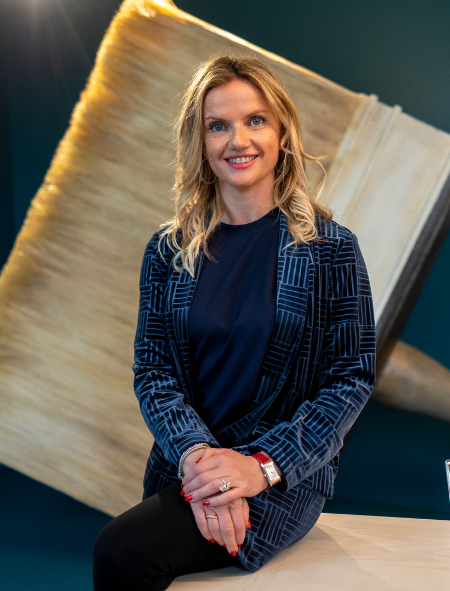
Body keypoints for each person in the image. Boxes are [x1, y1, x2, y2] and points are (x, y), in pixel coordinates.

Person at [93, 54, 376, 590]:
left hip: (283, 478)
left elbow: (351, 379)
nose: (237, 140)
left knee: (121, 552)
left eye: (255, 120)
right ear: (199, 142)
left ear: (282, 133)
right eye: (217, 126)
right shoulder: (167, 251)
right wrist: (199, 458)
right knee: (127, 549)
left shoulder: (331, 249)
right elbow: (153, 371)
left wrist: (260, 468)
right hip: (190, 469)